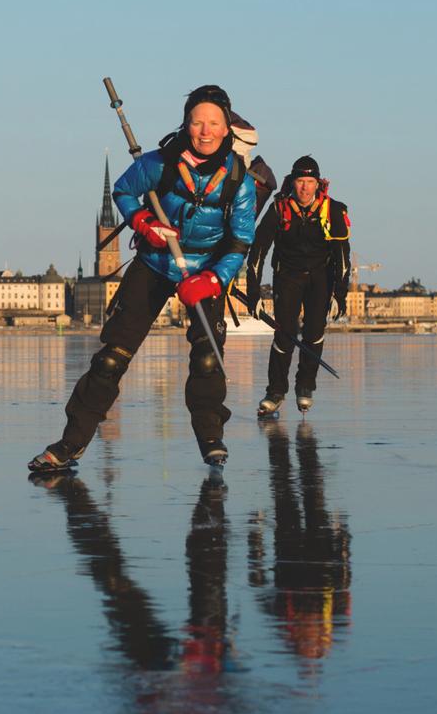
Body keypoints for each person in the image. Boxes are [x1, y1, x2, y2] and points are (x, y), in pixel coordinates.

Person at [29, 85, 257, 471]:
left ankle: (211, 437)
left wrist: (214, 280)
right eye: (197, 121)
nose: (204, 130)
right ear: (186, 124)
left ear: (226, 129)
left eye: (213, 123)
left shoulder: (240, 181)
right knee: (111, 359)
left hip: (203, 272)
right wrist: (142, 222)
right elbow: (124, 191)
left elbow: (240, 241)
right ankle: (71, 443)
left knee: (206, 358)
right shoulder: (159, 163)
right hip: (153, 263)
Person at [247, 155, 350, 415]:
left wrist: (340, 294)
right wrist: (253, 292)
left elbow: (342, 258)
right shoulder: (278, 209)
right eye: (300, 181)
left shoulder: (333, 210)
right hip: (287, 276)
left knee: (314, 332)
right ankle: (275, 391)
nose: (304, 187)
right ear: (293, 183)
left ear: (318, 184)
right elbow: (258, 251)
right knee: (285, 334)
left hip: (320, 278)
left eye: (309, 181)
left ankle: (305, 387)